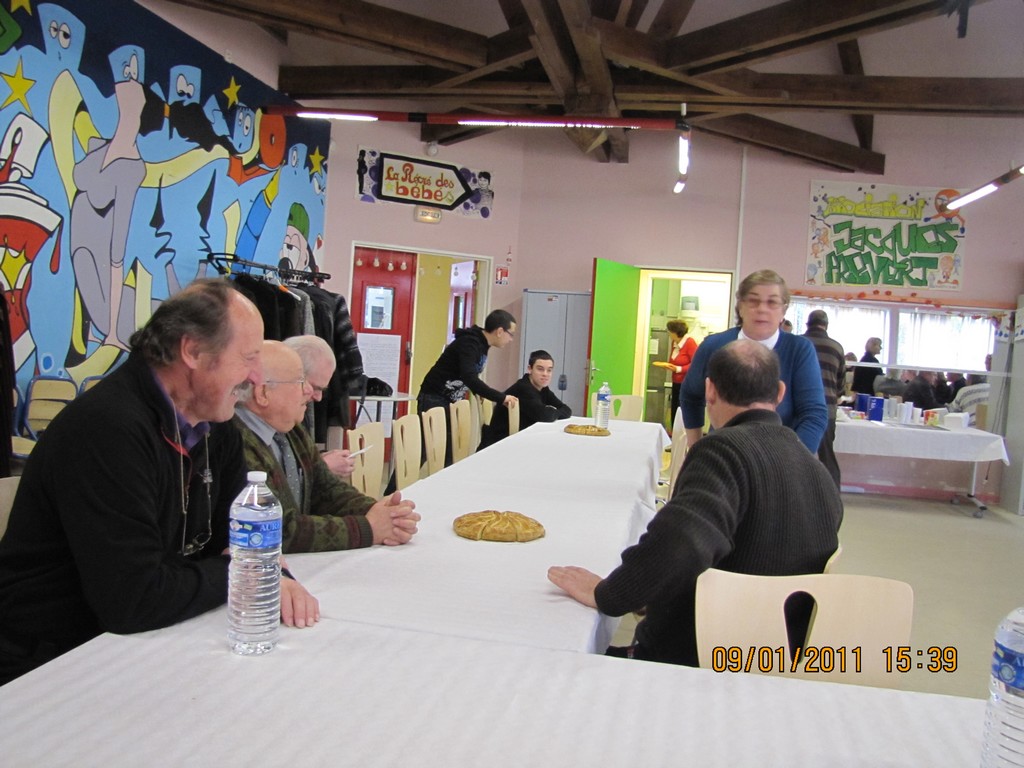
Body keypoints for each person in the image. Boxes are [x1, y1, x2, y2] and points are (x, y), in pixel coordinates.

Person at [0, 279, 320, 686]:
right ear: (192, 351)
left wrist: (272, 573)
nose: (257, 377)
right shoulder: (106, 430)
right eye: (248, 358)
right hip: (51, 663)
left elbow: (241, 535)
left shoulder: (214, 423)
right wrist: (247, 570)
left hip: (143, 645)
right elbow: (134, 600)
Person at [548, 340, 842, 666]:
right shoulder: (815, 468)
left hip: (700, 656)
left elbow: (681, 543)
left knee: (554, 651)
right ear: (780, 392)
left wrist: (609, 594)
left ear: (709, 390)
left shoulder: (723, 452)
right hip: (776, 655)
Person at [234, 341, 420, 552]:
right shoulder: (236, 444)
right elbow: (276, 528)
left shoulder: (290, 430)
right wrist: (368, 528)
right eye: (299, 382)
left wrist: (379, 511)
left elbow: (326, 489)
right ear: (263, 393)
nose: (309, 392)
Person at [680, 269, 827, 453]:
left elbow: (814, 414)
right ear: (740, 306)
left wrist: (792, 459)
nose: (762, 309)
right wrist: (694, 447)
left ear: (783, 311)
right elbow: (690, 395)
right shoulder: (713, 346)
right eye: (753, 300)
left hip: (780, 455)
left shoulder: (799, 350)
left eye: (772, 302)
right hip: (721, 455)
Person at [417, 308, 519, 466]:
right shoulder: (470, 344)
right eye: (510, 334)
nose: (511, 339)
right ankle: (396, 483)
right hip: (434, 397)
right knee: (425, 450)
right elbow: (469, 377)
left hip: (450, 400)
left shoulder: (482, 345)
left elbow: (468, 375)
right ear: (500, 331)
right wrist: (501, 397)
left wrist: (482, 393)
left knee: (450, 452)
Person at [284, 334, 354, 478]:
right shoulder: (247, 432)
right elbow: (274, 484)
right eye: (315, 387)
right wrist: (322, 466)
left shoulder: (295, 423)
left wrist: (319, 461)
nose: (318, 397)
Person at [480, 349, 571, 448]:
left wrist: (553, 412)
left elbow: (566, 409)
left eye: (549, 370)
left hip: (519, 439)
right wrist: (555, 411)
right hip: (499, 444)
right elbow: (544, 415)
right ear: (530, 369)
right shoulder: (523, 388)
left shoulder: (543, 388)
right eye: (540, 369)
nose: (545, 374)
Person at [802, 309, 845, 489]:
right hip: (827, 409)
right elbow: (840, 386)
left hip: (799, 407)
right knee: (827, 455)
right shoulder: (836, 348)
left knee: (795, 453)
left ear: (807, 324)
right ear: (826, 325)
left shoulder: (798, 343)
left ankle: (795, 493)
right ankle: (832, 494)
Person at [653, 319, 697, 419]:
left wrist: (678, 369)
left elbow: (695, 364)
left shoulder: (690, 343)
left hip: (686, 383)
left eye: (669, 330)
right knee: (675, 410)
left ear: (675, 332)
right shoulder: (675, 343)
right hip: (676, 382)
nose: (668, 333)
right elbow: (673, 361)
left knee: (681, 412)